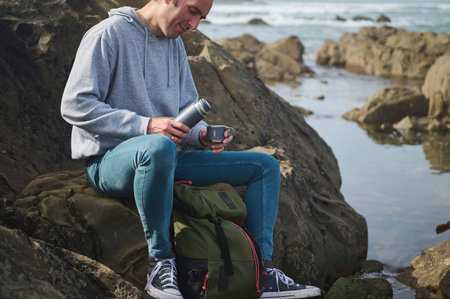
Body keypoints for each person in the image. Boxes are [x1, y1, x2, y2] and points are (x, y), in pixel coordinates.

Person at [61, 0, 321, 298]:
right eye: (193, 11)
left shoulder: (175, 46)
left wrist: (203, 136)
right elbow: (75, 104)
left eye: (202, 17)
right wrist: (146, 126)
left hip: (166, 156)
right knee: (158, 146)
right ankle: (160, 263)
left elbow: (184, 111)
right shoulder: (107, 34)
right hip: (109, 161)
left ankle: (263, 272)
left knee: (265, 166)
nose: (195, 25)